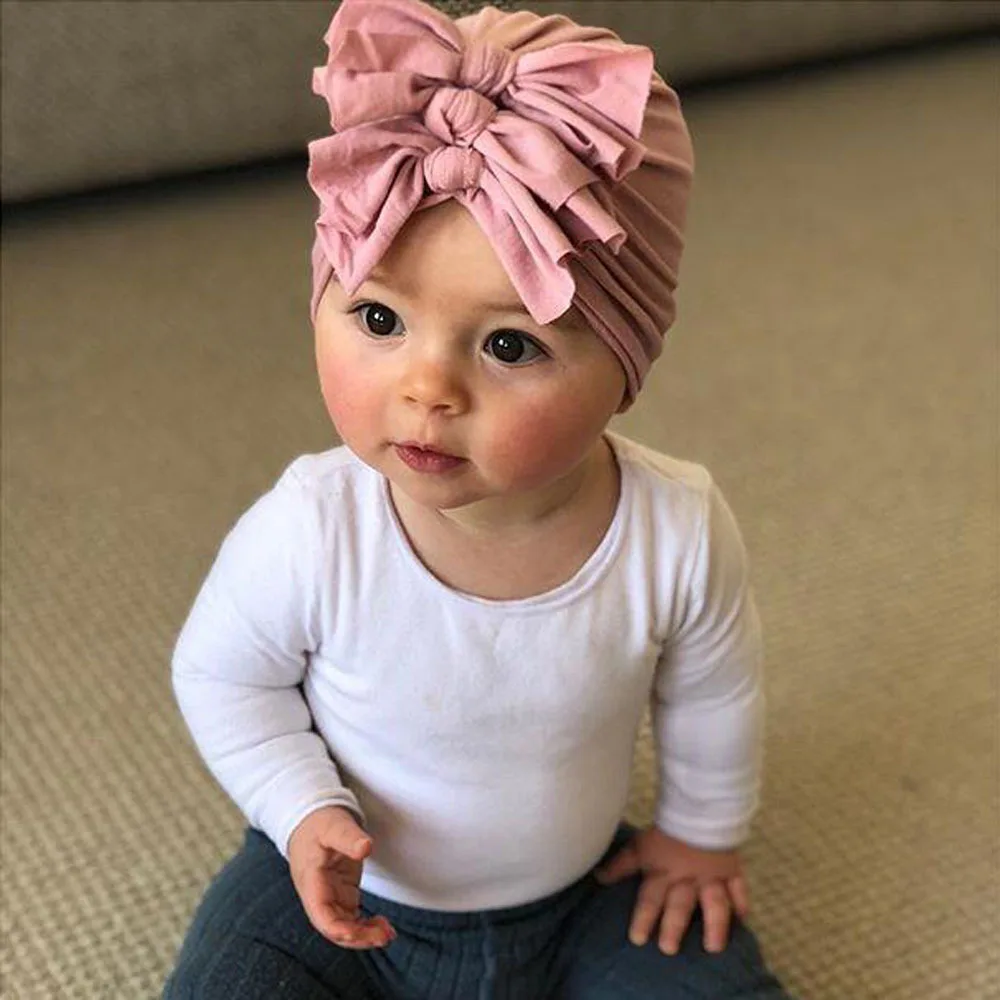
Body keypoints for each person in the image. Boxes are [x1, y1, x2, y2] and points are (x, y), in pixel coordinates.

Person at [164, 0, 795, 996]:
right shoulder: (313, 527)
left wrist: (697, 836)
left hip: (584, 891)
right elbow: (221, 676)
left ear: (624, 366)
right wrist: (298, 806)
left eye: (508, 345)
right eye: (378, 315)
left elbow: (713, 693)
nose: (428, 389)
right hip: (341, 890)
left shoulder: (674, 528)